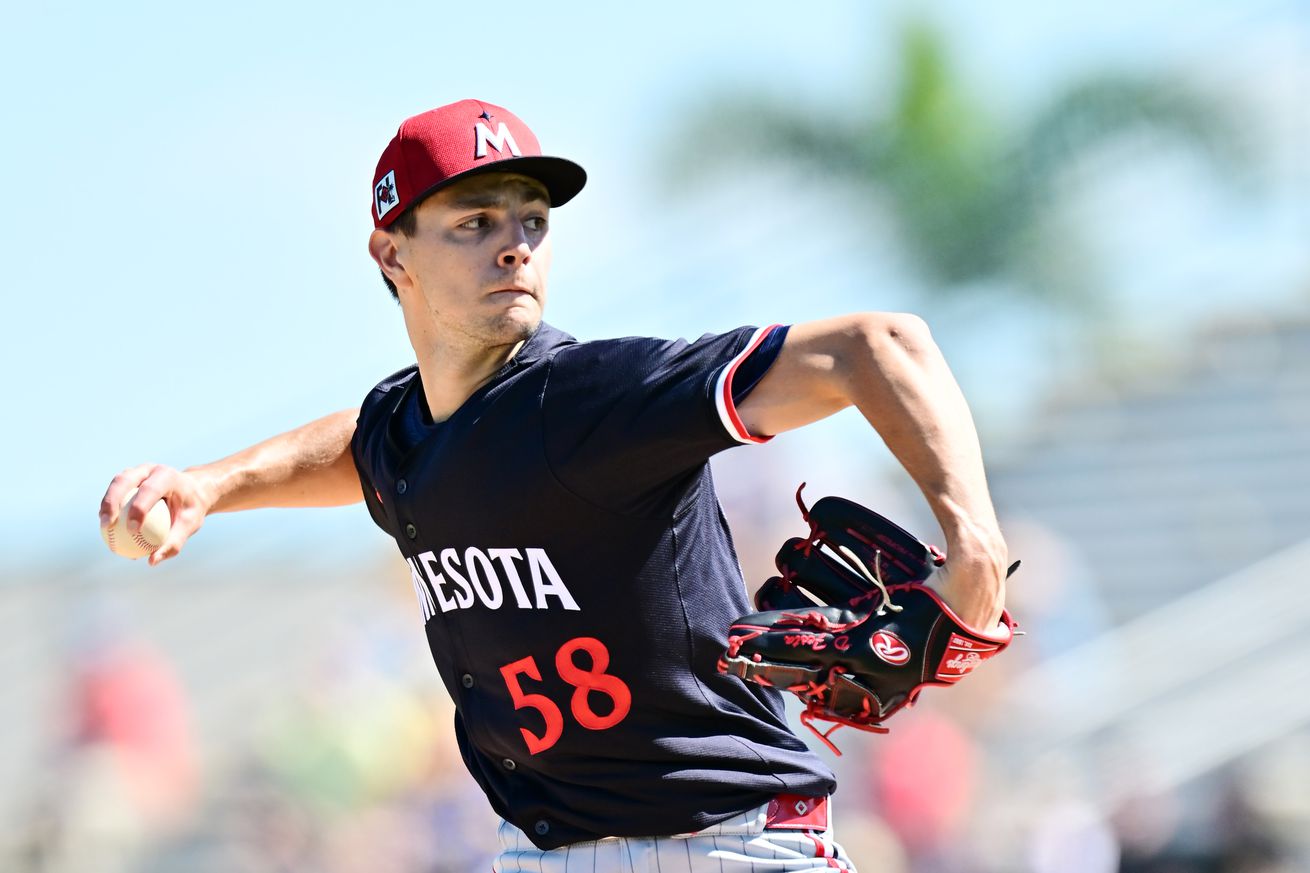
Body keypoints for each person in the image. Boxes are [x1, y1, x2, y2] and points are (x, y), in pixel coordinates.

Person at [100, 99, 1010, 872]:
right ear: (391, 254)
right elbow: (362, 442)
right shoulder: (404, 434)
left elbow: (879, 346)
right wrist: (210, 485)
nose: (514, 246)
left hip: (724, 844)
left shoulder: (588, 400)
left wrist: (974, 552)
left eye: (530, 220)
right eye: (475, 222)